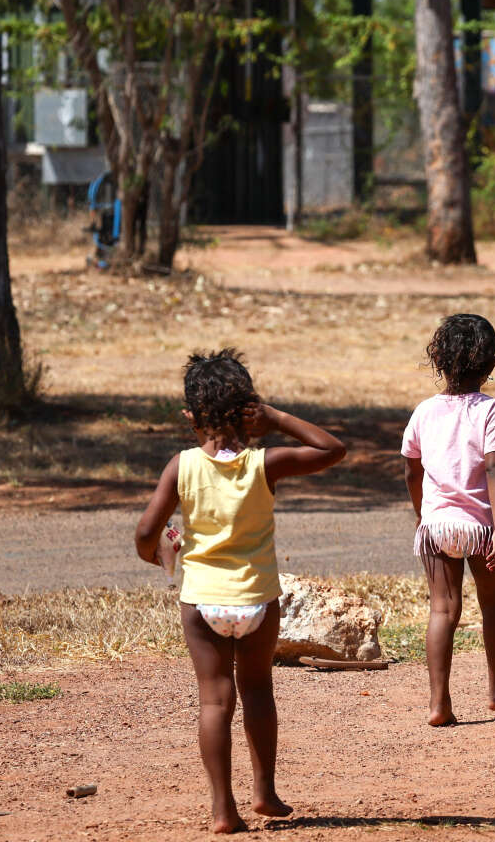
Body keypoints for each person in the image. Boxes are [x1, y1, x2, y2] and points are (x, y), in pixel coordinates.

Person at [133, 349, 345, 834]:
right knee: (257, 690)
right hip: (256, 600)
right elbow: (332, 450)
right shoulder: (263, 464)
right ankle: (265, 791)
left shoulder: (181, 467)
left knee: (214, 702)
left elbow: (147, 530)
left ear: (190, 417)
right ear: (250, 412)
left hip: (202, 600)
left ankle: (223, 810)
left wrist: (155, 553)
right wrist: (278, 417)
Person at [402, 313, 495, 727]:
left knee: (443, 611)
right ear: (491, 366)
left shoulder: (424, 412)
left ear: (437, 360)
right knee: (493, 607)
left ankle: (439, 704)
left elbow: (410, 468)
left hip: (436, 527)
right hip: (479, 526)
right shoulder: (491, 410)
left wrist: (423, 513)